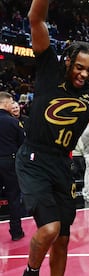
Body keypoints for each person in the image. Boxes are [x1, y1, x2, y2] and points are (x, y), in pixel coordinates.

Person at [15, 1, 89, 275]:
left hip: (61, 164)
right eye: (79, 67)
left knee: (63, 239)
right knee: (49, 229)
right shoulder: (49, 69)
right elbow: (36, 19)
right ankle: (30, 272)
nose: (83, 74)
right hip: (34, 159)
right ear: (68, 61)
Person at [0, 92, 25, 241]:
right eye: (11, 103)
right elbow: (23, 144)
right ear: (4, 103)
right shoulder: (14, 122)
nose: (13, 105)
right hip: (10, 161)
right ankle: (16, 232)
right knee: (14, 197)